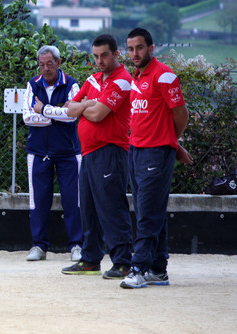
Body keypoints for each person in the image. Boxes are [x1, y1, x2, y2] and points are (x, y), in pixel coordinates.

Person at [56, 34, 134, 279]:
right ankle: (90, 260)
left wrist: (86, 106)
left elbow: (99, 114)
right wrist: (89, 103)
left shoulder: (122, 80)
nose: (99, 61)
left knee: (111, 207)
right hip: (88, 153)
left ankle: (123, 262)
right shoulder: (94, 79)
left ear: (115, 54)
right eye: (96, 56)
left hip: (110, 151)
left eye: (104, 55)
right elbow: (69, 109)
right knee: (87, 208)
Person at [121, 28, 193, 288]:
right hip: (136, 150)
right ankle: (158, 269)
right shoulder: (136, 76)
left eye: (139, 48)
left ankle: (138, 268)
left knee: (147, 214)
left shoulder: (164, 76)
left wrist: (171, 143)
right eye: (130, 49)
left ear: (151, 48)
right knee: (148, 210)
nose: (134, 53)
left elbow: (181, 115)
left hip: (156, 152)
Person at [23, 45, 83, 262]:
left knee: (73, 200)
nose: (45, 69)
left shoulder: (72, 84)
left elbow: (74, 116)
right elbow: (27, 118)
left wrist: (44, 110)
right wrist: (58, 113)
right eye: (41, 64)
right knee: (37, 200)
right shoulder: (32, 84)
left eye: (49, 64)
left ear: (59, 63)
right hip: (37, 152)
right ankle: (38, 246)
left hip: (69, 152)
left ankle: (76, 245)